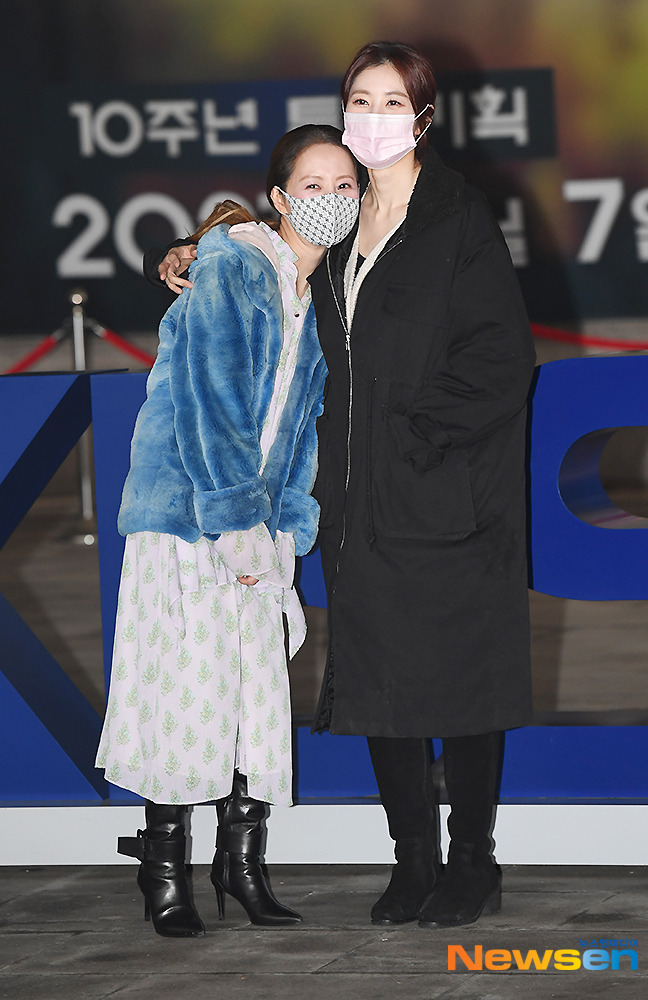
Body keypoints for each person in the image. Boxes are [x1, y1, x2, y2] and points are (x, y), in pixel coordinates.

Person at [150, 40, 536, 931]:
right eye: (360, 99)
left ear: (424, 116)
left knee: (466, 681)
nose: (373, 115)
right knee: (381, 682)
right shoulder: (339, 215)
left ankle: (472, 862)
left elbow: (500, 358)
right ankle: (413, 863)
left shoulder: (456, 218)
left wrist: (416, 438)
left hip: (446, 493)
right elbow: (255, 239)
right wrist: (189, 247)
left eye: (392, 101)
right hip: (353, 505)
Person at [96, 124, 360, 937]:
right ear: (280, 199)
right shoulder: (235, 268)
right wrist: (237, 527)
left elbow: (301, 429)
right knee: (185, 690)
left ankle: (240, 866)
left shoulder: (320, 294)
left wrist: (283, 528)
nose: (330, 201)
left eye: (344, 185)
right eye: (310, 186)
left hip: (256, 523)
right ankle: (165, 869)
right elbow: (211, 408)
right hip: (188, 518)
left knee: (251, 695)